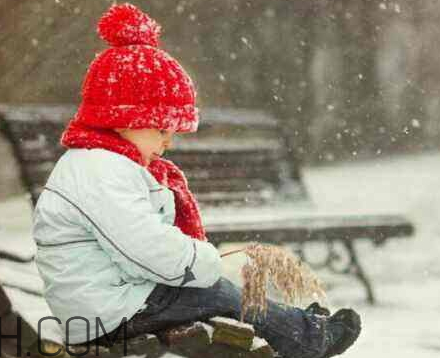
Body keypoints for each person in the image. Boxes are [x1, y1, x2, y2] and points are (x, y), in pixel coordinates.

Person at [33, 3, 361, 358]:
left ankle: (291, 323)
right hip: (111, 309)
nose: (168, 140)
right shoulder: (101, 170)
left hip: (107, 302)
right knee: (216, 292)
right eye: (162, 128)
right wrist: (204, 259)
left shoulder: (101, 164)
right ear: (121, 118)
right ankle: (306, 337)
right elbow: (148, 251)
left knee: (214, 292)